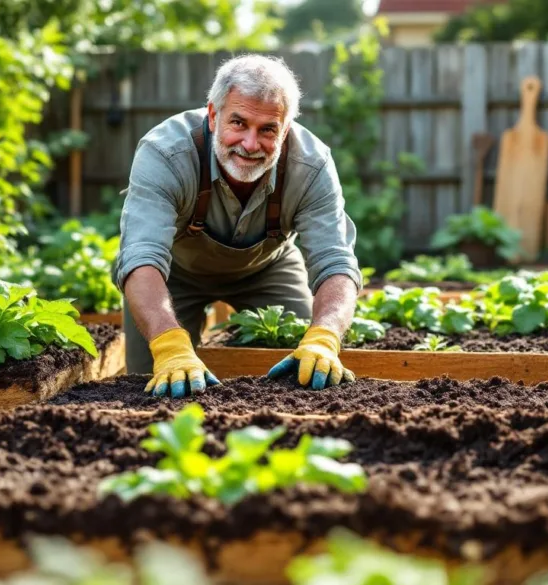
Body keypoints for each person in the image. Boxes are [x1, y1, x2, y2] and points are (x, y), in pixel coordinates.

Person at [111, 54, 362, 399]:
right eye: (239, 123)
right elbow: (140, 257)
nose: (250, 144)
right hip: (173, 275)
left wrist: (325, 336)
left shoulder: (311, 166)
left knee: (303, 377)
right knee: (148, 386)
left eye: (268, 129)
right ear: (213, 116)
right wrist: (169, 345)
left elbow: (336, 261)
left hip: (268, 270)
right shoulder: (166, 153)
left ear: (285, 128)